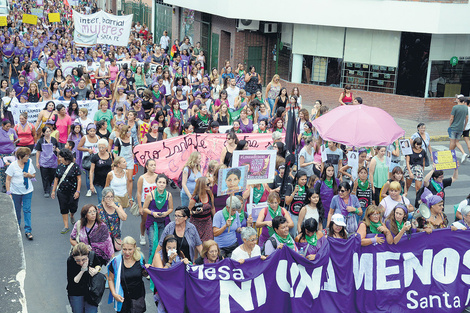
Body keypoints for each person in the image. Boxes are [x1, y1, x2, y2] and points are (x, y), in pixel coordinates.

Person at [108, 236, 147, 313]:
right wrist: (114, 294)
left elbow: (144, 274)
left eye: (130, 249)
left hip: (138, 297)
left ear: (135, 247)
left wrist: (147, 269)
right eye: (124, 249)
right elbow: (110, 279)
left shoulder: (140, 258)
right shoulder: (116, 261)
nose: (127, 252)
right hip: (122, 298)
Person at [6, 147, 35, 240]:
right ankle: (17, 225)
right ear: (19, 157)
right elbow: (8, 179)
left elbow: (34, 175)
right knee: (17, 210)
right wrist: (9, 192)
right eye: (26, 156)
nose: (28, 158)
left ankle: (28, 230)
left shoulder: (29, 163)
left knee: (27, 210)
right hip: (15, 192)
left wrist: (29, 175)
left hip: (27, 191)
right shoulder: (13, 166)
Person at [51, 149, 81, 234]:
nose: (59, 158)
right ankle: (66, 226)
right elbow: (56, 179)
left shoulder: (75, 166)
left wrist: (78, 191)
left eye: (61, 157)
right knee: (63, 207)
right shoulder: (59, 167)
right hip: (61, 191)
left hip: (73, 191)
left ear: (66, 157)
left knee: (73, 207)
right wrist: (53, 191)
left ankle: (72, 215)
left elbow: (79, 179)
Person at [143, 174, 173, 256]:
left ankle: (160, 262)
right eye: (160, 182)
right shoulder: (150, 195)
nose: (161, 184)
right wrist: (153, 213)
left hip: (164, 222)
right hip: (152, 222)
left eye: (164, 182)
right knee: (153, 244)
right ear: (156, 183)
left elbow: (171, 208)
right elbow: (144, 208)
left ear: (166, 184)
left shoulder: (168, 195)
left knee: (162, 244)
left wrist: (166, 213)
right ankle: (151, 264)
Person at [67, 243, 102, 313]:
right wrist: (82, 270)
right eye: (78, 260)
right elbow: (74, 281)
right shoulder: (70, 261)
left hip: (91, 291)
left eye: (84, 259)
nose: (81, 262)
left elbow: (98, 264)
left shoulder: (92, 255)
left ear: (87, 255)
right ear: (73, 257)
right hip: (76, 292)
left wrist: (96, 270)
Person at [98, 188, 128, 253]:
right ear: (103, 198)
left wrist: (115, 207)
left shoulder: (117, 205)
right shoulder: (99, 208)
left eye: (111, 197)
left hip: (115, 238)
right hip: (104, 239)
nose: (110, 199)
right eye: (107, 197)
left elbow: (124, 218)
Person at [136, 159, 158, 246]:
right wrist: (140, 207)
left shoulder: (158, 177)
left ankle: (153, 237)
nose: (153, 167)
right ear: (147, 166)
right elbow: (139, 192)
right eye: (151, 165)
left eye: (154, 165)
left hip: (156, 203)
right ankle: (142, 235)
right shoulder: (142, 178)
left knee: (155, 220)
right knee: (144, 221)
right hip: (144, 203)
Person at [189, 177, 215, 242]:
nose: (209, 185)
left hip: (207, 222)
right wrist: (195, 212)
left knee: (208, 242)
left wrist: (215, 219)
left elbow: (212, 207)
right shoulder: (195, 198)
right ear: (202, 185)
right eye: (207, 184)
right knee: (196, 244)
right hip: (196, 223)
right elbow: (188, 211)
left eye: (209, 184)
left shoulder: (210, 194)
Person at [314, 163, 340, 228]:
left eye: (332, 170)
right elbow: (315, 195)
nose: (331, 172)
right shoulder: (319, 183)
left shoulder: (337, 182)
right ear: (325, 171)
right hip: (322, 209)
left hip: (334, 208)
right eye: (329, 170)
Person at [285, 171, 309, 237]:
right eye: (302, 179)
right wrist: (294, 192)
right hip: (293, 214)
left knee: (302, 233)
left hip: (303, 215)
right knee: (293, 234)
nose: (304, 181)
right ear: (296, 179)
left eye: (305, 179)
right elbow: (287, 202)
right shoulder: (291, 187)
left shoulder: (306, 188)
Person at [77, 124, 99, 196]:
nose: (92, 132)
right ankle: (89, 189)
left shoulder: (98, 137)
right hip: (88, 159)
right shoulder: (84, 138)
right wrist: (87, 149)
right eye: (91, 131)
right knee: (88, 174)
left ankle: (94, 187)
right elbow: (79, 147)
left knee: (96, 174)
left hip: (96, 158)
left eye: (94, 131)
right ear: (88, 131)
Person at [90, 139, 113, 203]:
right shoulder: (95, 157)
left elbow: (113, 167)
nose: (101, 149)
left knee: (109, 198)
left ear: (106, 147)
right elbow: (91, 171)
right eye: (99, 147)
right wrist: (91, 184)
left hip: (109, 181)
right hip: (98, 182)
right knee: (101, 199)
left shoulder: (110, 155)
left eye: (103, 147)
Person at [449, 95, 469, 163]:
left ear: (458, 100)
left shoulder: (455, 107)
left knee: (452, 142)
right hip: (461, 127)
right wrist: (464, 126)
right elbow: (467, 118)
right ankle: (463, 153)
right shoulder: (466, 108)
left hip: (454, 127)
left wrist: (450, 125)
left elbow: (452, 118)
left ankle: (450, 155)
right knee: (457, 142)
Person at [0, 119, 18, 191]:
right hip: (2, 154)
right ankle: (4, 185)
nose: (8, 128)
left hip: (11, 153)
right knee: (3, 170)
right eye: (7, 126)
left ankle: (11, 184)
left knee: (11, 169)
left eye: (9, 126)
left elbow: (15, 138)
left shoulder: (12, 130)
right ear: (2, 126)